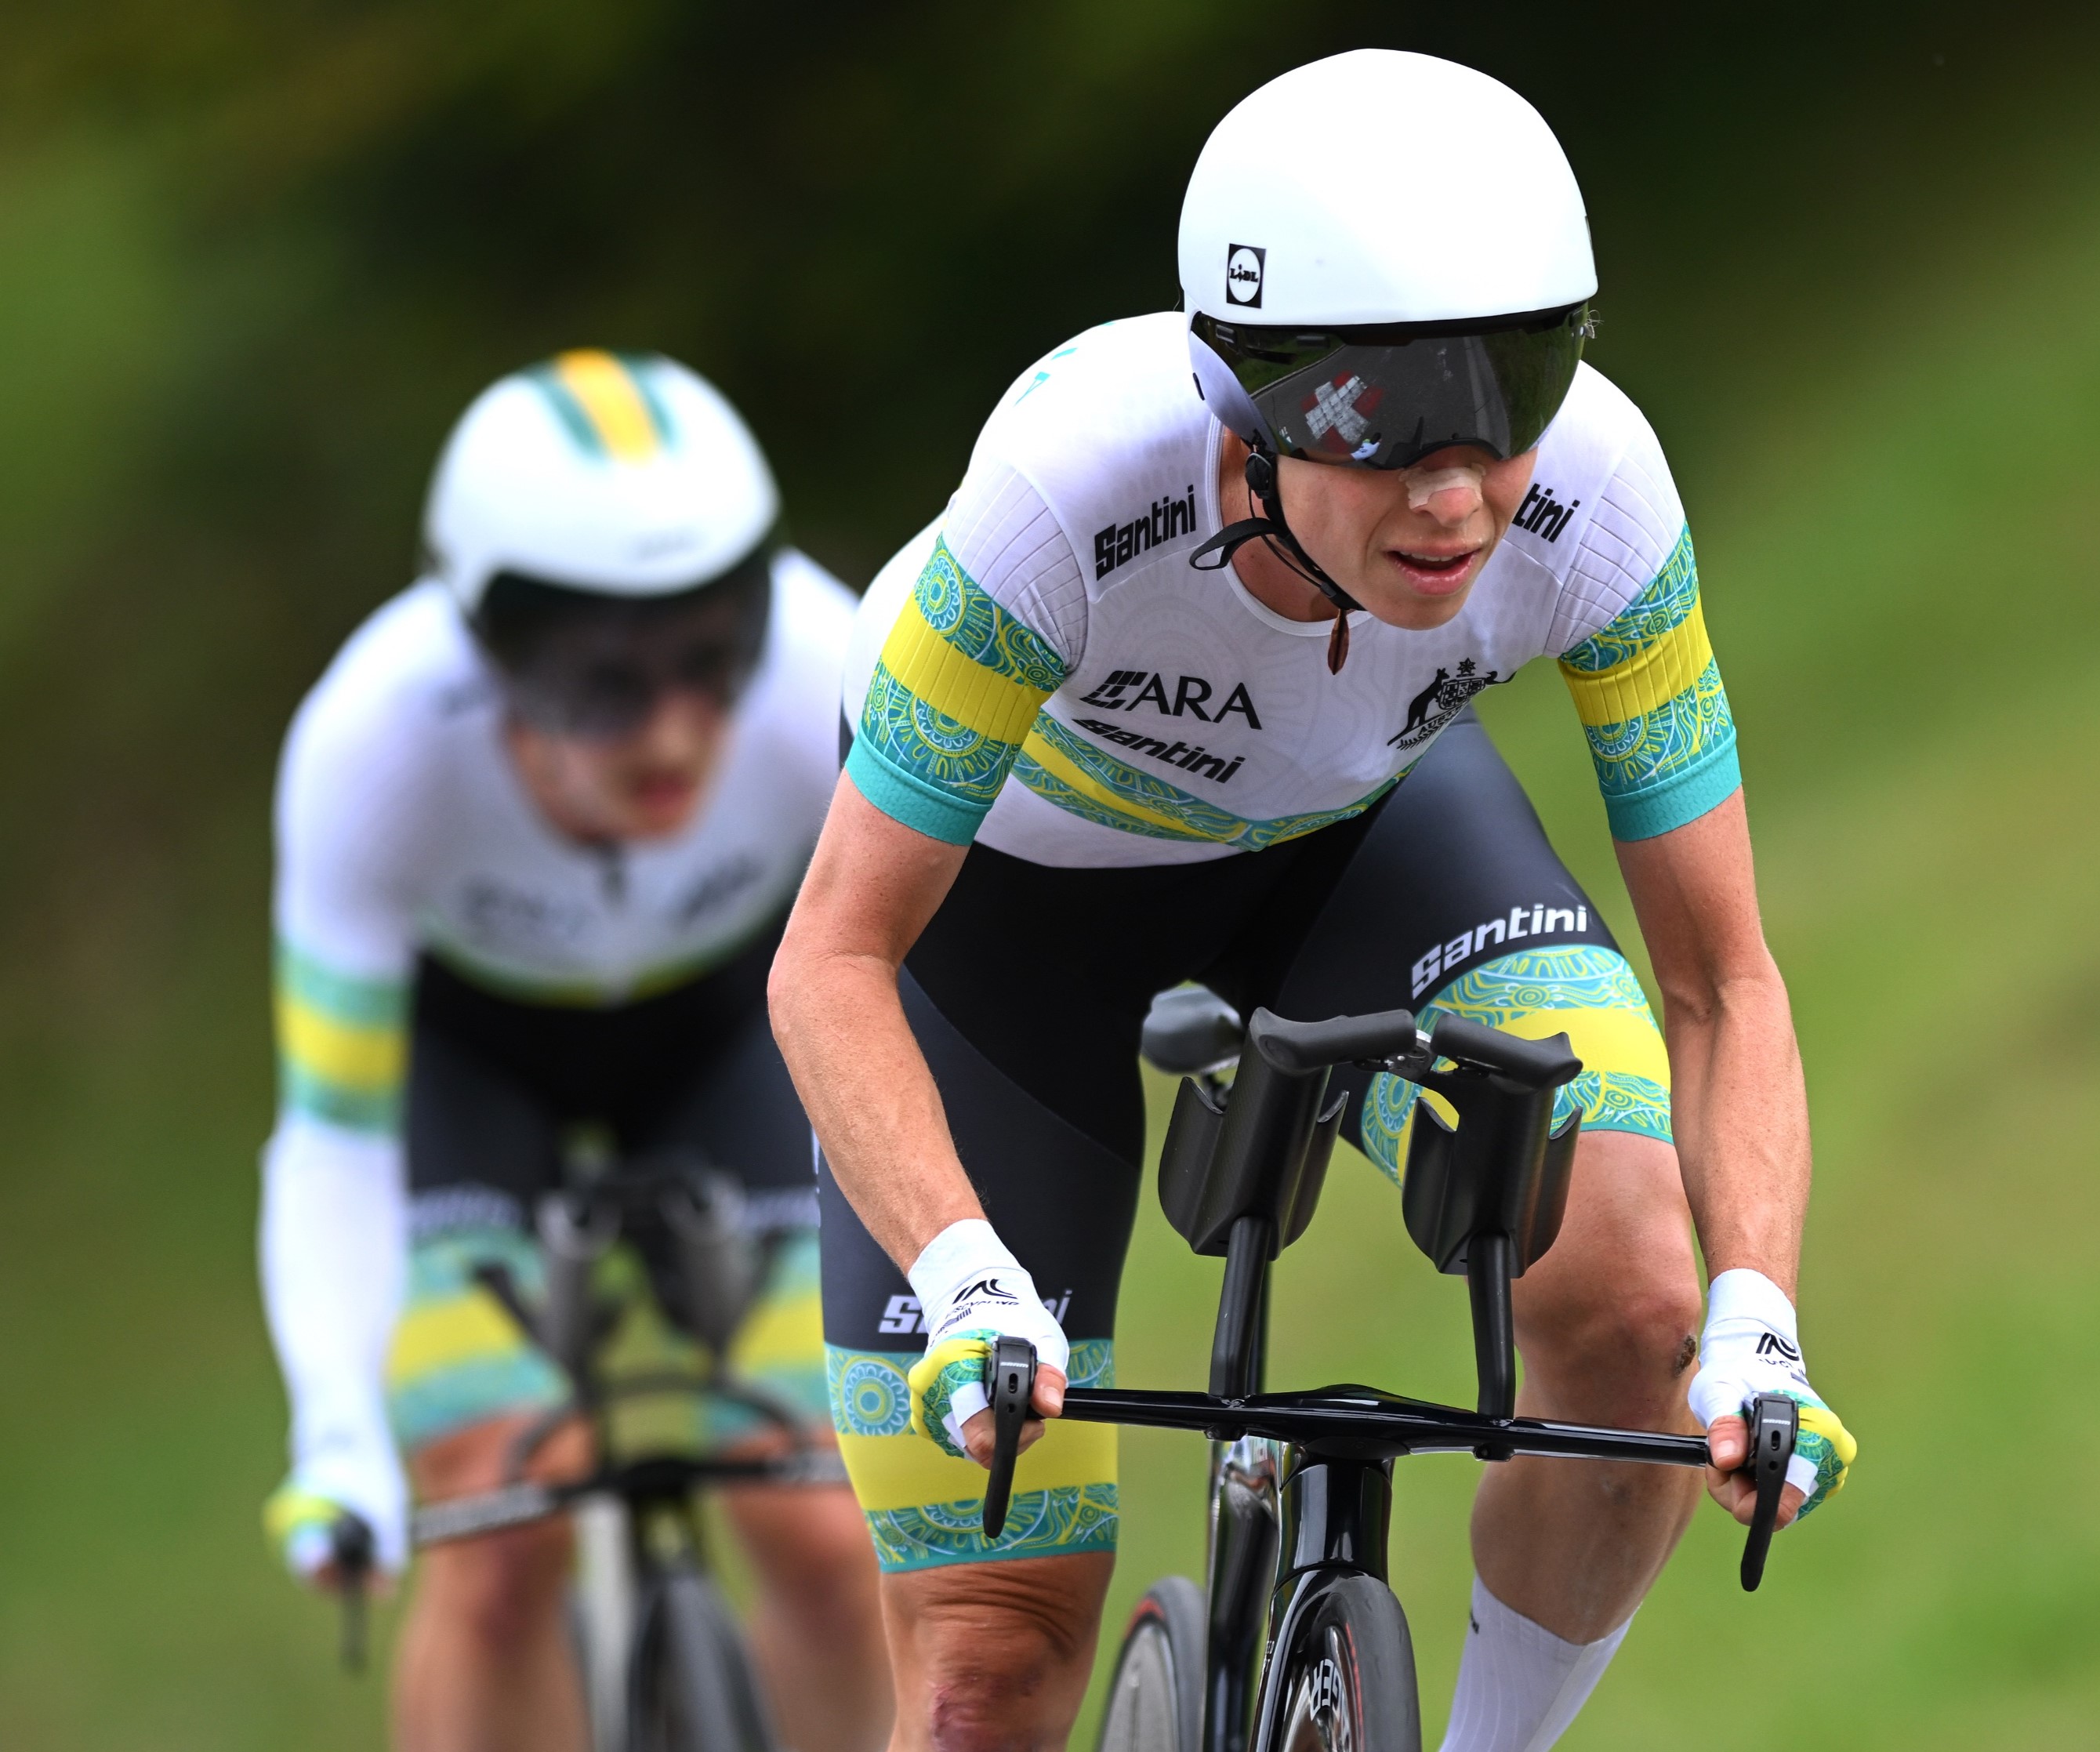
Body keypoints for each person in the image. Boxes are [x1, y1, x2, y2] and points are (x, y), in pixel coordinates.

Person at [774, 50, 1859, 1751]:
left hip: (1356, 841)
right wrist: (968, 1271)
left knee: (1645, 1300)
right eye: (1384, 419)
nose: (1459, 491)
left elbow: (1723, 981)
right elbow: (832, 958)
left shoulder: (1603, 502)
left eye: (1519, 382)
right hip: (1004, 914)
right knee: (988, 1665)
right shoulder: (1067, 498)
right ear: (1242, 392)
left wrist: (1760, 1316)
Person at [257, 350, 891, 1751]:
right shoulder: (371, 746)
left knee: (834, 1541)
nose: (670, 731)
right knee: (495, 1548)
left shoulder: (825, 676)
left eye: (710, 657)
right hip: (470, 1070)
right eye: (599, 683)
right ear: (486, 651)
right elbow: (336, 1133)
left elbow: (933, 1009)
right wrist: (338, 1431)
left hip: (731, 1036)